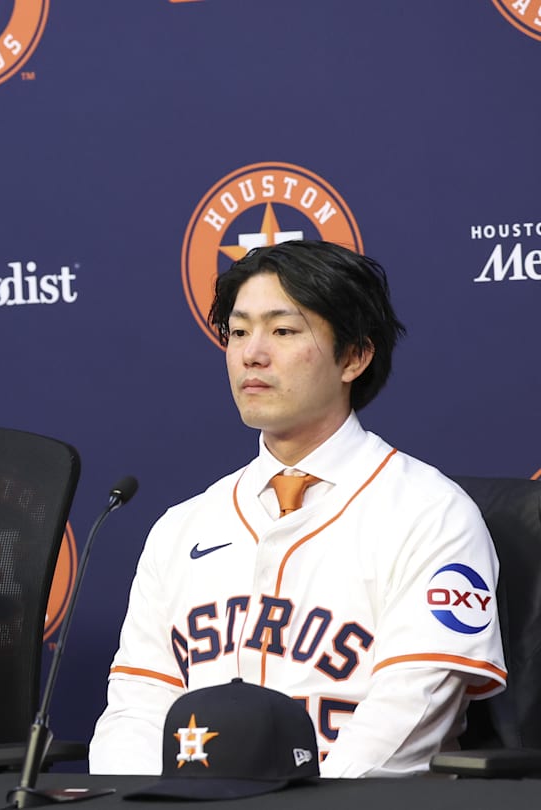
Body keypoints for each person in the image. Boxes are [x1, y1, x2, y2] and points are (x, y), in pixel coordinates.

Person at [89, 240, 506, 777]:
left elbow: (410, 717)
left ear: (355, 356)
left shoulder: (430, 513)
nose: (251, 354)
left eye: (283, 331)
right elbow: (138, 706)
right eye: (238, 332)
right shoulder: (183, 525)